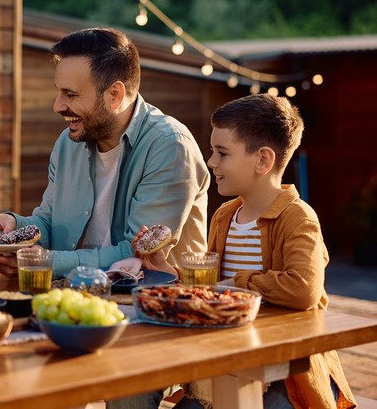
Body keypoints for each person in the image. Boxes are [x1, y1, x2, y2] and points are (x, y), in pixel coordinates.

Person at [136, 94, 355, 408]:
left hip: (288, 369)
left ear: (263, 160)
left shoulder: (297, 217)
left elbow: (303, 289)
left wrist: (237, 287)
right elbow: (212, 288)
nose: (211, 161)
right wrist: (167, 270)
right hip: (229, 359)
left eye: (222, 152)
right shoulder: (224, 216)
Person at [0, 27, 210, 279]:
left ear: (115, 95)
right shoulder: (67, 143)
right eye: (58, 92)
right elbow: (49, 224)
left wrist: (44, 263)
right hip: (78, 301)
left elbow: (140, 255)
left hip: (158, 307)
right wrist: (14, 226)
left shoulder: (169, 146)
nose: (57, 106)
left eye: (70, 94)